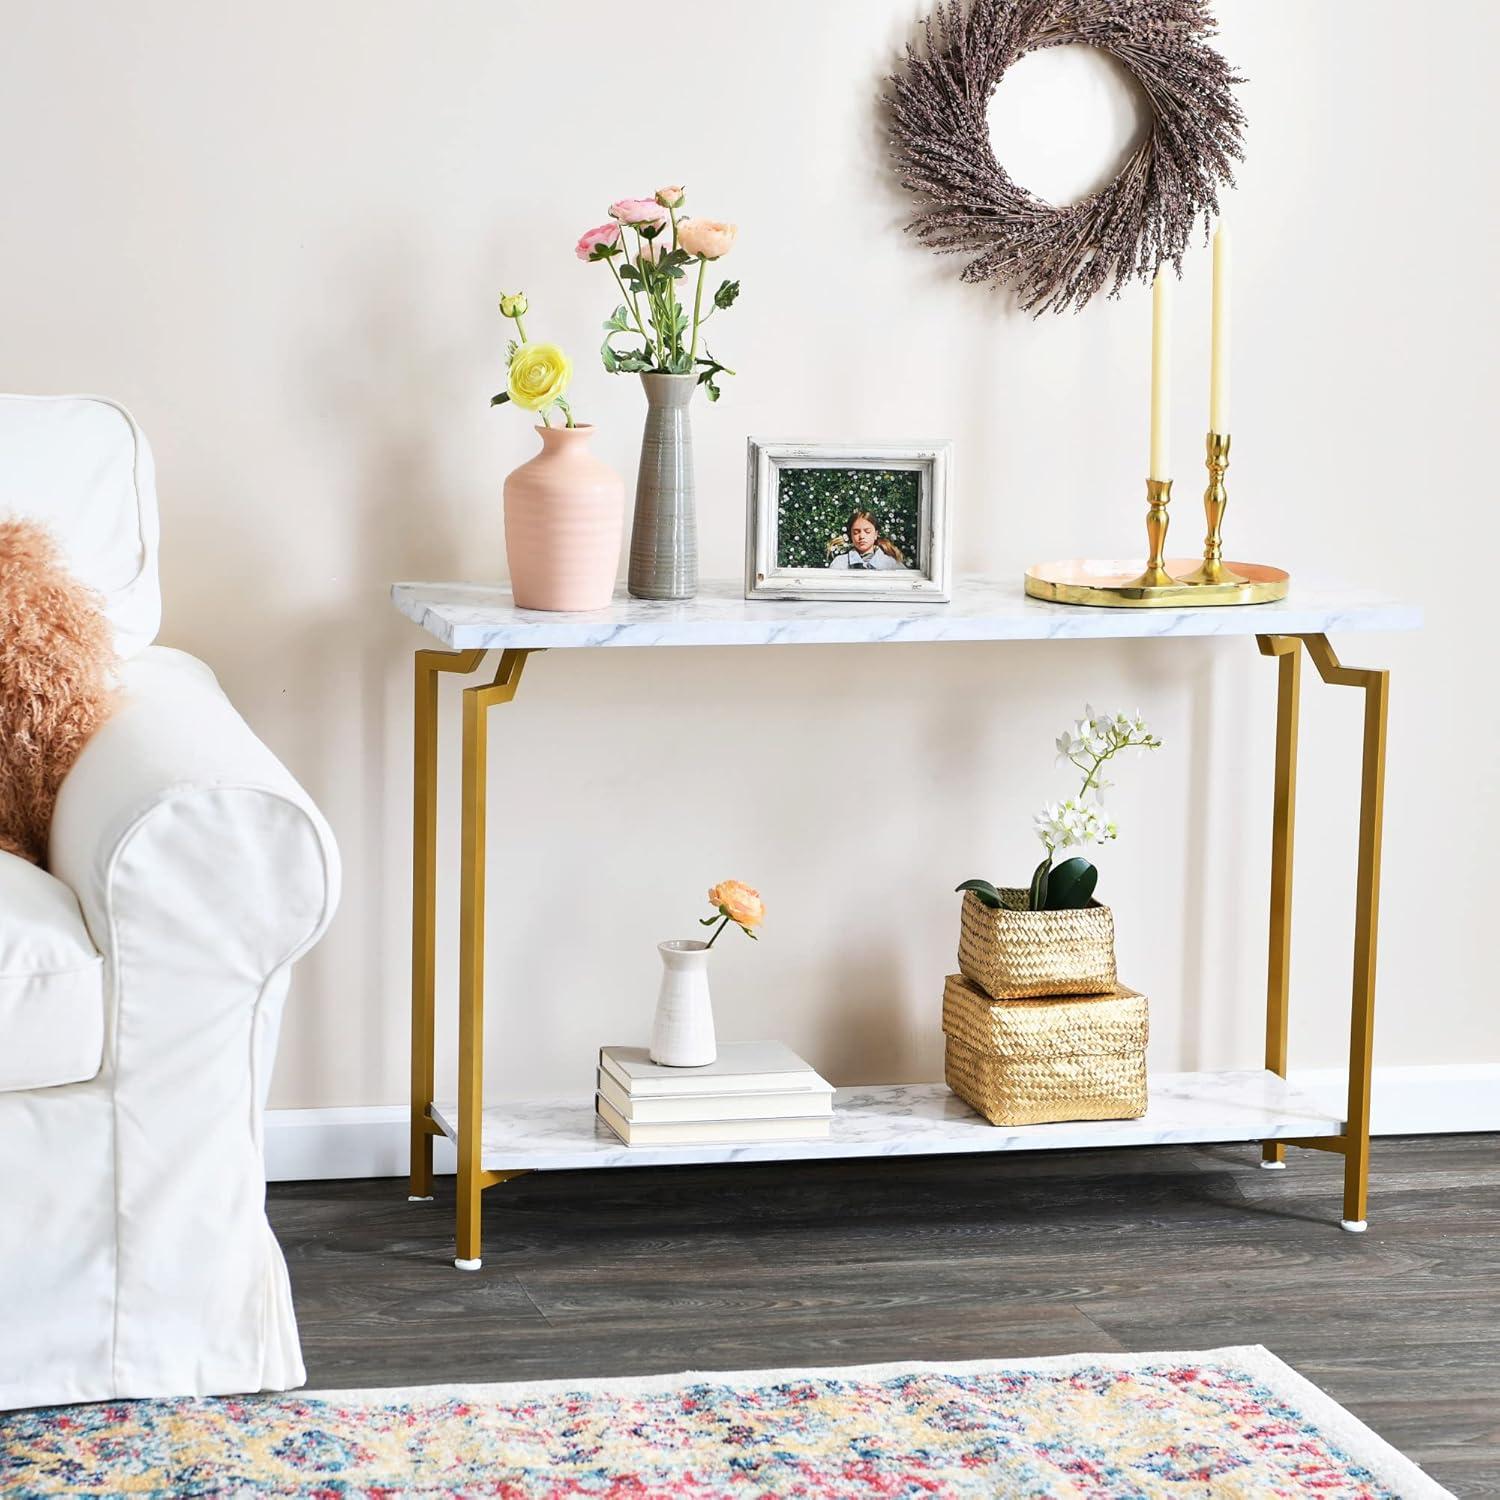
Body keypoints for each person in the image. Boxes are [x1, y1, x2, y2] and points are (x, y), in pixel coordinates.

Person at [827, 509, 908, 569]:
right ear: (850, 535)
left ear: (876, 534)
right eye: (856, 532)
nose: (862, 536)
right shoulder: (840, 563)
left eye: (867, 531)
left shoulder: (891, 564)